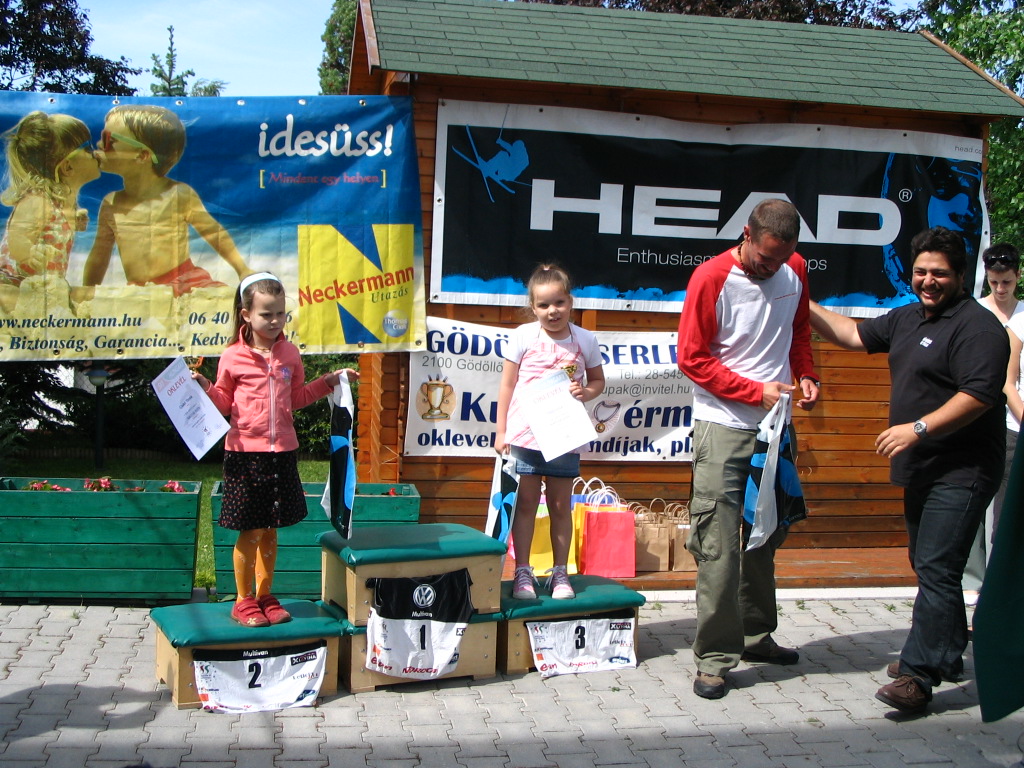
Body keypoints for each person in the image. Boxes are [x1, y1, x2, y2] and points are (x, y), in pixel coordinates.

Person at [809, 226, 1008, 714]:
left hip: (963, 469)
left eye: (939, 273)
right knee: (927, 565)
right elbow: (852, 334)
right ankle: (945, 651)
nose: (927, 280)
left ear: (961, 276)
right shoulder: (909, 318)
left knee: (938, 567)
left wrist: (917, 428)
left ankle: (918, 677)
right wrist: (801, 299)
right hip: (922, 468)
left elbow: (980, 395)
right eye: (920, 271)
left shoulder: (979, 328)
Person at [677, 198, 820, 700]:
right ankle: (715, 658)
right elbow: (692, 360)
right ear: (746, 234)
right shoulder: (710, 278)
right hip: (723, 426)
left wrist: (806, 374)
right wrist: (752, 391)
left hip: (777, 429)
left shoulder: (795, 269)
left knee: (767, 535)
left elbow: (799, 332)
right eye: (764, 258)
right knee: (719, 544)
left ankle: (758, 636)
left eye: (781, 259)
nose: (772, 267)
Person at [193, 272, 354, 627]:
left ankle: (266, 595)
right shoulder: (232, 357)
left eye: (280, 313)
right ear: (245, 314)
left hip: (282, 453)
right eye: (266, 314)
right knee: (249, 529)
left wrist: (326, 383)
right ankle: (243, 599)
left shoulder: (289, 354)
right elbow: (223, 402)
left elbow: (296, 397)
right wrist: (205, 386)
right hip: (244, 455)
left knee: (270, 530)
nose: (275, 321)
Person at [495, 263, 605, 601]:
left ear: (570, 302)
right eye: (543, 305)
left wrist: (586, 392)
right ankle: (523, 572)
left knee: (560, 505)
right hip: (526, 437)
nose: (552, 311)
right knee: (525, 504)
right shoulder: (523, 336)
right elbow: (507, 384)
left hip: (563, 436)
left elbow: (598, 381)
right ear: (533, 307)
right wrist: (501, 432)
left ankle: (560, 573)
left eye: (558, 302)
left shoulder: (585, 338)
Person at [82, 104, 252, 296]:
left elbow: (214, 233)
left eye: (108, 140)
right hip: (142, 291)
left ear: (142, 155)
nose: (98, 145)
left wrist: (242, 270)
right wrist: (87, 292)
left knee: (223, 301)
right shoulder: (111, 203)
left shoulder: (178, 193)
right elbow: (99, 255)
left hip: (185, 281)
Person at [964, 243, 1022, 593]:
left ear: (1017, 277)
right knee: (971, 500)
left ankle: (1000, 586)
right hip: (974, 418)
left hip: (1011, 423)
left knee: (1006, 506)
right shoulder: (974, 312)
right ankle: (971, 582)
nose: (1000, 289)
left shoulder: (1023, 316)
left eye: (1007, 283)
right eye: (995, 282)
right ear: (987, 277)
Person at [0, 111, 99, 307]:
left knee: (75, 296)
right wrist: (28, 253)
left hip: (43, 288)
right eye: (88, 149)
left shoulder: (62, 204)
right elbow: (17, 233)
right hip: (14, 283)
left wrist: (73, 219)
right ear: (67, 167)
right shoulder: (38, 200)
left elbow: (53, 228)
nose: (95, 152)